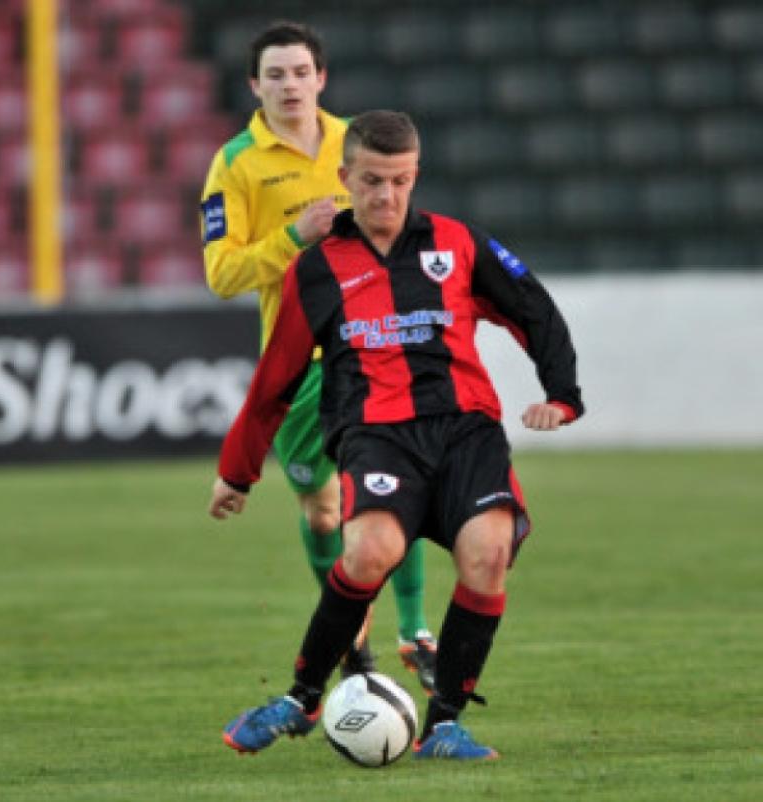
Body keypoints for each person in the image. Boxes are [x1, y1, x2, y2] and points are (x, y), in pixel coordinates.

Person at [208, 110, 584, 760]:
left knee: (489, 556)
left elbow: (533, 305)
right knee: (370, 550)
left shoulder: (456, 243)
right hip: (376, 434)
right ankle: (301, 699)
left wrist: (562, 395)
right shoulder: (316, 269)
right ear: (346, 176)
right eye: (374, 180)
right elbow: (276, 377)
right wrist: (237, 470)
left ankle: (442, 725)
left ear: (415, 177)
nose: (387, 196)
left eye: (401, 180)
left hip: (466, 430)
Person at [199, 22, 436, 689]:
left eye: (300, 72)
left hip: (373, 347)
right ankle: (354, 637)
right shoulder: (236, 163)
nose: (290, 85)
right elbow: (222, 274)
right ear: (255, 85)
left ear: (321, 78)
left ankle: (416, 630)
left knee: (397, 489)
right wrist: (292, 237)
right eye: (275, 75)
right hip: (300, 362)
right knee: (325, 509)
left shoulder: (355, 139)